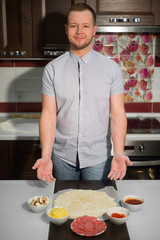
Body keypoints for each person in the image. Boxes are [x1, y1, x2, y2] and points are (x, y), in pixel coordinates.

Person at [32, 3, 132, 182]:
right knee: (65, 205)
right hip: (62, 157)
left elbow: (117, 114)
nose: (79, 31)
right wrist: (46, 156)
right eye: (74, 26)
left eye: (85, 26)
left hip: (98, 158)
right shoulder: (52, 69)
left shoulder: (111, 69)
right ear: (66, 29)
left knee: (96, 207)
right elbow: (48, 115)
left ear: (94, 30)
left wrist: (118, 153)